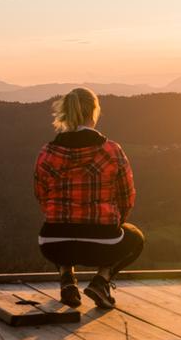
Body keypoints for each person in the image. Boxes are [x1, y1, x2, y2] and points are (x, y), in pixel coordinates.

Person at [34, 87, 143, 309]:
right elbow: (127, 196)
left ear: (65, 112)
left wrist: (64, 215)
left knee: (63, 226)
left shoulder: (47, 152)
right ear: (94, 112)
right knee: (136, 238)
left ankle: (67, 281)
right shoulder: (112, 150)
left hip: (52, 243)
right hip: (102, 243)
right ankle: (101, 281)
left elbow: (41, 196)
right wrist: (114, 222)